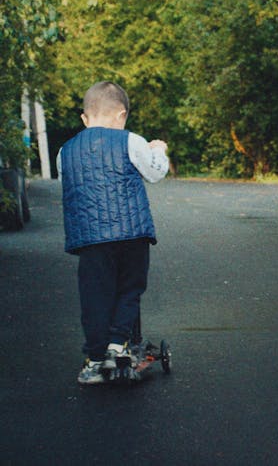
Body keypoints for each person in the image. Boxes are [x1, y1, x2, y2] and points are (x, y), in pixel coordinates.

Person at [57, 81, 169, 384]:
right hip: (132, 234)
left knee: (94, 296)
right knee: (130, 289)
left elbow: (67, 187)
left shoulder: (65, 151)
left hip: (90, 238)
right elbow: (155, 173)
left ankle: (95, 360)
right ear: (122, 115)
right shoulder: (132, 141)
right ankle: (118, 344)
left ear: (84, 118)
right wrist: (158, 150)